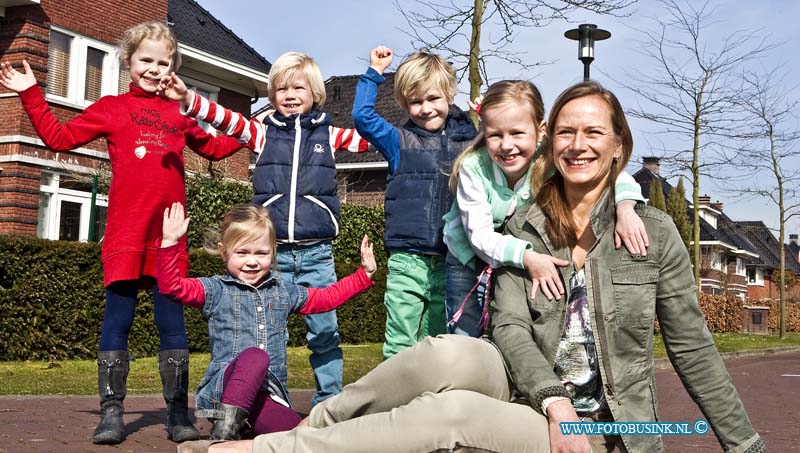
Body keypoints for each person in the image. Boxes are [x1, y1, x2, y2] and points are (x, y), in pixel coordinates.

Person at [215, 80, 763, 453]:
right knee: (442, 351)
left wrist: (746, 445)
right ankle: (320, 421)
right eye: (568, 132)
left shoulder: (650, 233)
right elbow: (509, 328)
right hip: (530, 391)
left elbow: (693, 349)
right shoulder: (525, 225)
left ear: (619, 146)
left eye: (594, 133)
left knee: (450, 414)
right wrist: (551, 399)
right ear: (552, 137)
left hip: (601, 428)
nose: (578, 145)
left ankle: (279, 448)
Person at [0, 21, 244, 445]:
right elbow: (57, 138)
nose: (153, 68)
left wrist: (255, 129)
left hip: (168, 240)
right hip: (126, 238)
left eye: (162, 61)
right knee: (118, 322)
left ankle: (176, 414)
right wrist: (30, 91)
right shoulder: (112, 108)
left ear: (174, 66)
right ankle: (111, 414)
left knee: (173, 327)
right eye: (145, 60)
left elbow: (218, 147)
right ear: (128, 62)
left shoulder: (180, 113)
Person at [160, 52, 369, 405]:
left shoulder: (330, 135)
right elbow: (225, 119)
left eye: (297, 87)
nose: (289, 94)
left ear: (315, 92)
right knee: (265, 331)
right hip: (272, 253)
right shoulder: (262, 132)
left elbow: (375, 136)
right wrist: (188, 99)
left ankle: (329, 400)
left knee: (324, 332)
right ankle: (264, 397)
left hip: (317, 252)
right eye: (281, 88)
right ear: (272, 95)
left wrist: (377, 81)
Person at [442, 79, 648, 336]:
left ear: (540, 131)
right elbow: (479, 237)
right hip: (468, 259)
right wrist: (527, 256)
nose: (506, 145)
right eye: (495, 135)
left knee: (506, 327)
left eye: (517, 133)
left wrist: (625, 208)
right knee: (465, 334)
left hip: (515, 253)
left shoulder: (549, 157)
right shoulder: (474, 168)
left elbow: (613, 175)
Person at [158, 202, 377, 442]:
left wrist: (363, 275)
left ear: (272, 252)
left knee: (300, 436)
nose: (252, 261)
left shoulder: (283, 291)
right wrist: (169, 242)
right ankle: (224, 434)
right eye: (242, 252)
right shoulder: (215, 289)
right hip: (227, 391)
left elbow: (325, 299)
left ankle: (241, 431)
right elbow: (172, 287)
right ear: (224, 252)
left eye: (261, 253)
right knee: (255, 356)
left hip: (267, 395)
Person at [353, 45, 480, 359]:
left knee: (437, 341)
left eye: (433, 98)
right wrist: (374, 73)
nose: (426, 109)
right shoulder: (398, 141)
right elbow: (362, 117)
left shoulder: (470, 142)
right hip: (407, 259)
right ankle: (393, 399)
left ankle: (428, 401)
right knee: (400, 340)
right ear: (403, 103)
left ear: (449, 94)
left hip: (451, 258)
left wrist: (489, 118)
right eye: (416, 102)